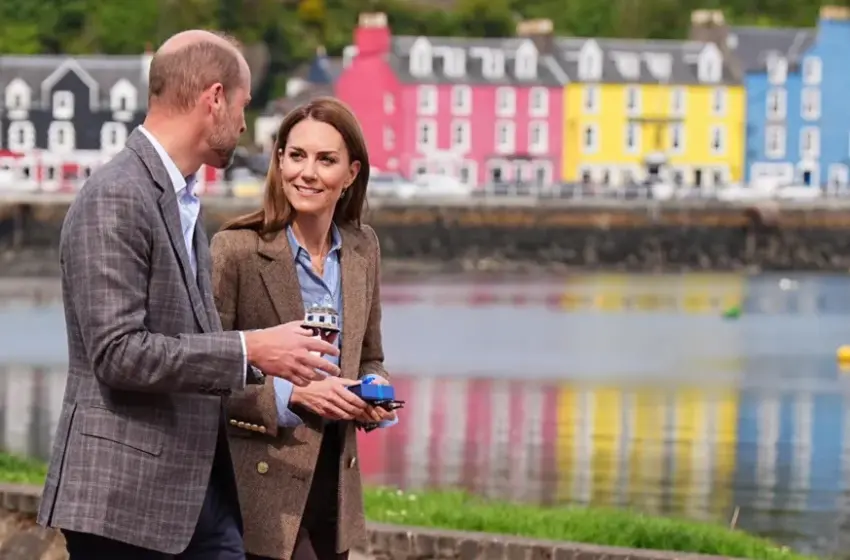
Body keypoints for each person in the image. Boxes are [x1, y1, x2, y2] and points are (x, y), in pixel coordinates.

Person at [36, 31, 341, 560]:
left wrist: (275, 374)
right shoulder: (116, 195)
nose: (244, 124)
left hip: (195, 499)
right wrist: (250, 349)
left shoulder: (181, 199)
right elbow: (118, 354)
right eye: (243, 105)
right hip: (122, 507)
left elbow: (184, 343)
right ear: (215, 98)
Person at [210, 97, 397, 560]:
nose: (307, 173)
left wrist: (372, 392)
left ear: (351, 173)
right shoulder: (235, 250)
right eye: (296, 156)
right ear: (279, 161)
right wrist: (290, 395)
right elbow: (202, 373)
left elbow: (370, 355)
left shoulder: (363, 248)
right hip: (259, 498)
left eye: (326, 160)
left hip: (335, 490)